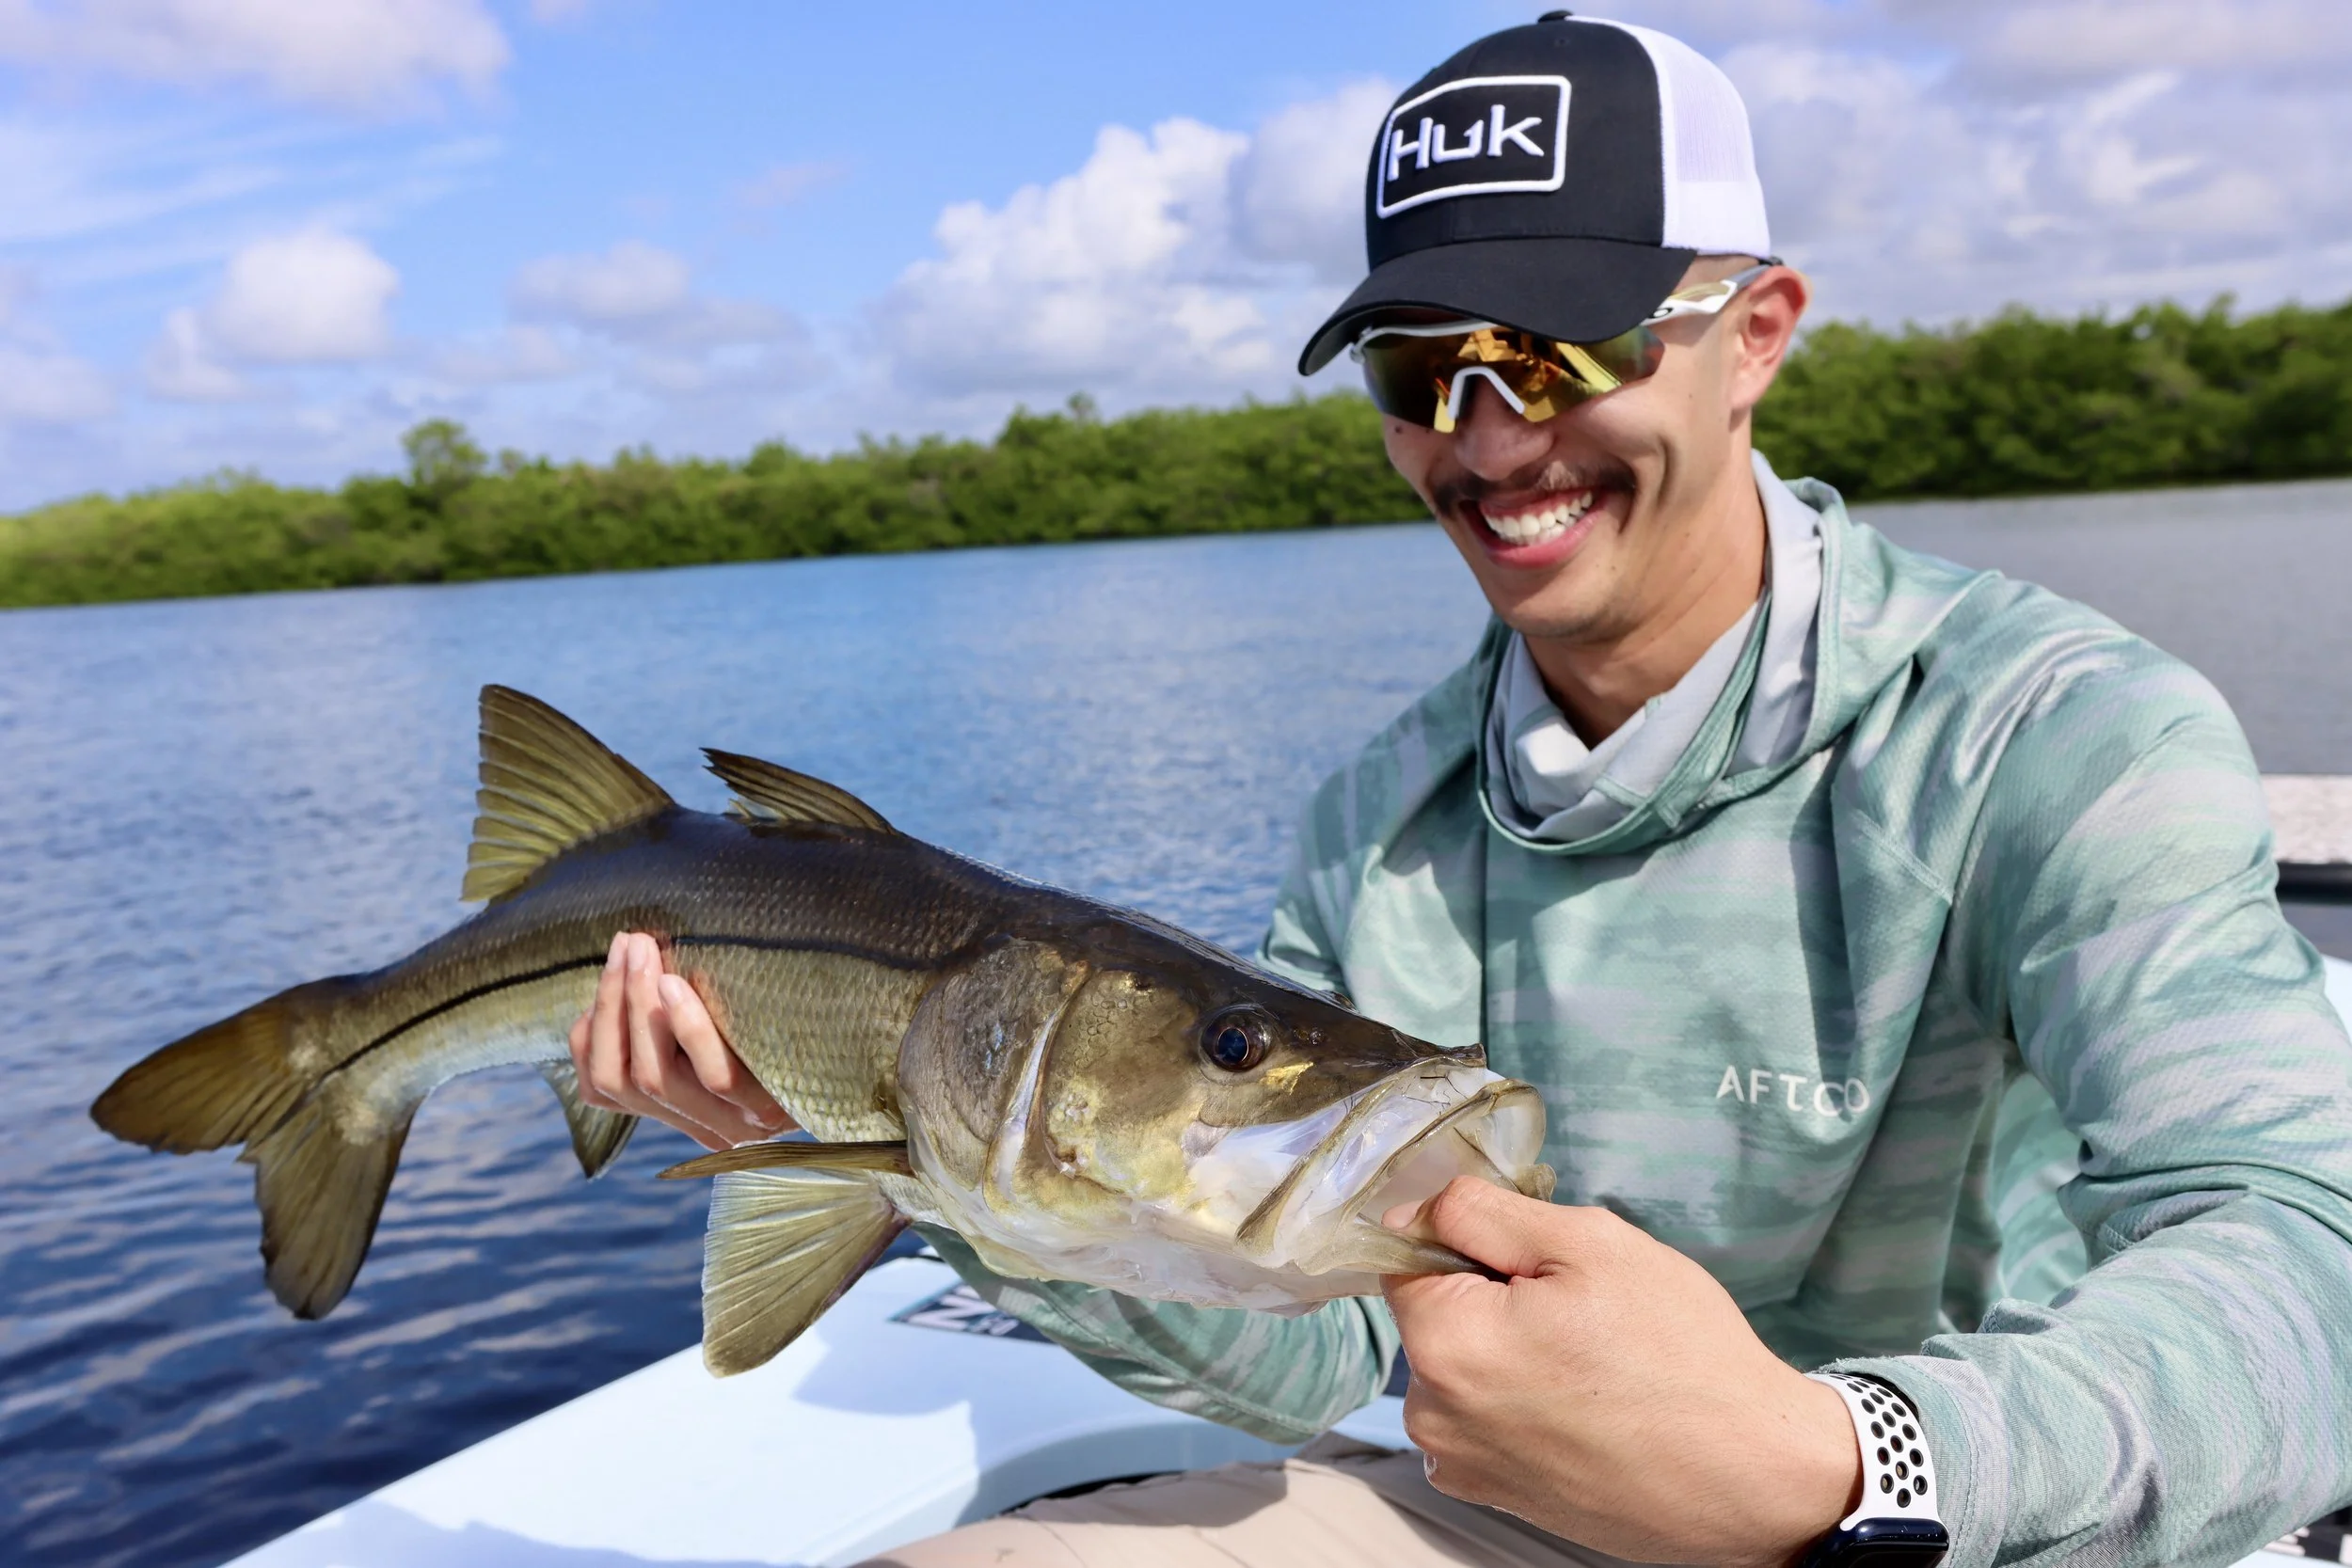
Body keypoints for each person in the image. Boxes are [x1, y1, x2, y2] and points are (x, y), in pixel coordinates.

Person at [568, 13, 2352, 1567]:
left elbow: (2308, 1259)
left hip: (1970, 1532)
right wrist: (972, 1185)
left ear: (1761, 334)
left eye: (1565, 349)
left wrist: (1845, 1462)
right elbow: (1330, 1357)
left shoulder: (2057, 732)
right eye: (1424, 371)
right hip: (1513, 1521)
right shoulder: (1383, 820)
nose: (1493, 438)